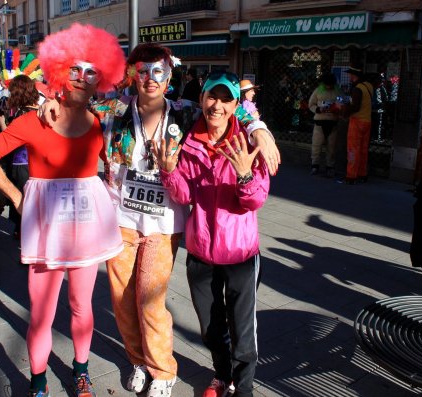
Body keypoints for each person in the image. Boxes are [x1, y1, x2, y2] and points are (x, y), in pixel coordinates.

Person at [39, 43, 279, 397]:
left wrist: (259, 127)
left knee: (149, 299)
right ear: (132, 74)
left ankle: (163, 370)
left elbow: (226, 109)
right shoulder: (114, 109)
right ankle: (138, 360)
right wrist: (54, 99)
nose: (150, 79)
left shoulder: (183, 113)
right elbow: (78, 104)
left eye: (158, 72)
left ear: (169, 76)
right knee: (121, 300)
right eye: (143, 71)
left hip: (165, 223)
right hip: (120, 218)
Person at [0, 23, 125, 397]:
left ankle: (82, 371)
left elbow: (115, 162)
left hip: (87, 229)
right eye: (75, 69)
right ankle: (38, 382)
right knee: (41, 314)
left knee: (81, 305)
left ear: (99, 80)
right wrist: (16, 195)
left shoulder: (99, 124)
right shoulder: (36, 119)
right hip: (46, 230)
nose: (82, 77)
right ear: (61, 71)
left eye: (91, 72)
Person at [158, 71, 270, 397]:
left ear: (236, 104)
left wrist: (245, 175)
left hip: (241, 255)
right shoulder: (189, 140)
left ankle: (244, 388)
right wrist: (168, 170)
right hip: (201, 253)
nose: (217, 105)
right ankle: (222, 376)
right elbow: (183, 194)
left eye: (225, 99)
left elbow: (256, 199)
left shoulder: (249, 143)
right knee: (210, 327)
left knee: (242, 330)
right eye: (211, 97)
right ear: (203, 98)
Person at [5, 74, 40, 239]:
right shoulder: (40, 110)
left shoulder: (21, 114)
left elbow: (12, 140)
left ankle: (25, 238)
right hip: (39, 162)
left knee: (23, 200)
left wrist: (1, 124)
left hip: (22, 161)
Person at [339, 66, 373, 184]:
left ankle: (351, 176)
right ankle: (362, 174)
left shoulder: (357, 89)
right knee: (363, 150)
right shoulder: (369, 86)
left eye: (351, 75)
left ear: (355, 76)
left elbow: (355, 107)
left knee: (353, 149)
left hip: (357, 121)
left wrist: (344, 111)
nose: (349, 77)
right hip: (367, 121)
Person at [308, 73, 341, 177]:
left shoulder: (337, 91)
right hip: (319, 123)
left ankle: (330, 167)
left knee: (331, 147)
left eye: (330, 85)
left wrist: (338, 109)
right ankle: (314, 165)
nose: (329, 87)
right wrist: (318, 109)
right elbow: (311, 104)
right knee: (316, 146)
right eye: (327, 84)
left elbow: (343, 104)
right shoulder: (318, 91)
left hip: (333, 122)